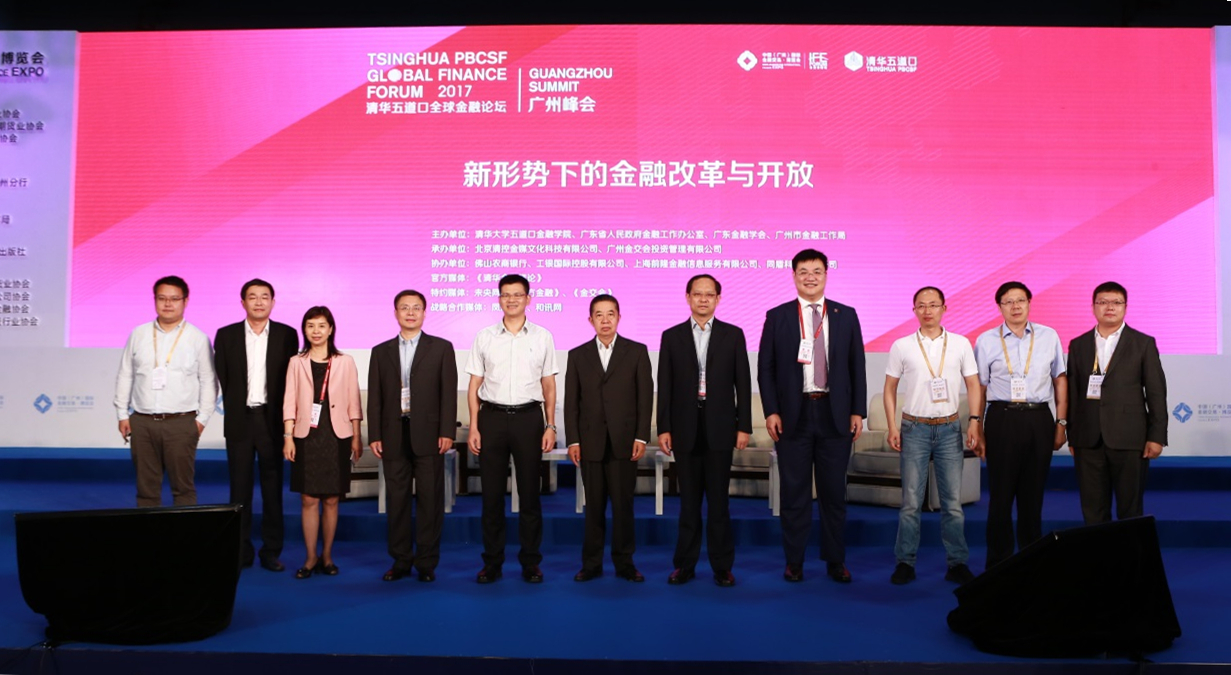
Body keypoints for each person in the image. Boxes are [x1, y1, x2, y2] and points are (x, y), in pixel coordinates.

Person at [758, 249, 866, 583]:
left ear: (826, 275)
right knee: (795, 494)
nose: (810, 277)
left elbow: (857, 366)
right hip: (794, 416)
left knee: (834, 494)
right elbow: (766, 369)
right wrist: (771, 410)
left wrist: (857, 411)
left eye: (816, 271)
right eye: (803, 271)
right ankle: (795, 561)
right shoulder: (778, 316)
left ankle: (835, 560)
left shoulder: (846, 315)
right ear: (793, 276)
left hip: (835, 414)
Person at [883, 287, 982, 586]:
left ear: (944, 308)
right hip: (914, 428)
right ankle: (905, 562)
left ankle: (957, 563)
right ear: (914, 310)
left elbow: (973, 385)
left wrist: (974, 421)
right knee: (910, 502)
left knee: (952, 503)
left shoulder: (961, 343)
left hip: (950, 428)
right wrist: (892, 426)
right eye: (921, 306)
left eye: (933, 305)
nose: (927, 311)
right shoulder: (902, 345)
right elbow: (889, 389)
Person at [657, 274, 751, 587]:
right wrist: (664, 427)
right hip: (684, 428)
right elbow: (665, 386)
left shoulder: (733, 335)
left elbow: (743, 383)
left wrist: (743, 426)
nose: (703, 299)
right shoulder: (672, 336)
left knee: (719, 503)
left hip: (721, 428)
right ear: (688, 297)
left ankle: (722, 566)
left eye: (709, 294)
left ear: (718, 299)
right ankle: (684, 565)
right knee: (688, 504)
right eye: (697, 294)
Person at [465, 274, 559, 584]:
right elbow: (474, 385)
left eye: (518, 294)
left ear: (528, 299)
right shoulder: (485, 337)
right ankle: (492, 562)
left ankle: (531, 562)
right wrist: (474, 426)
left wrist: (550, 425)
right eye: (506, 295)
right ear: (499, 299)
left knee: (530, 494)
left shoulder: (542, 337)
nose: (512, 300)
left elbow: (549, 385)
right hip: (491, 418)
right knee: (491, 496)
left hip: (529, 419)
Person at [974, 281, 1067, 570]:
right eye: (1008, 301)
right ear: (999, 307)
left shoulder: (1049, 336)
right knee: (1000, 497)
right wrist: (976, 424)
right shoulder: (986, 340)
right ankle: (998, 564)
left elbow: (1059, 380)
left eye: (1020, 300)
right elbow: (979, 387)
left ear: (1029, 303)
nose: (1015, 306)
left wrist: (1061, 422)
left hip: (1039, 419)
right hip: (1001, 418)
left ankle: (1031, 563)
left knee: (1033, 496)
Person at [368, 290, 458, 583]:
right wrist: (375, 434)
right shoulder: (380, 351)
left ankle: (426, 562)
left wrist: (447, 431)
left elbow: (448, 394)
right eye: (404, 308)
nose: (410, 312)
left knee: (431, 501)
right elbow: (375, 398)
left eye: (416, 308)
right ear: (395, 313)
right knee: (397, 501)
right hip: (393, 434)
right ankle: (401, 560)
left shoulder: (441, 348)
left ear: (424, 312)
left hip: (430, 435)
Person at [564, 294, 653, 583]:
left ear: (619, 317)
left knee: (623, 506)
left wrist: (641, 436)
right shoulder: (577, 355)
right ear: (590, 320)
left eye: (610, 314)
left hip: (624, 442)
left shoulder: (636, 352)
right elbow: (572, 402)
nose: (605, 320)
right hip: (590, 442)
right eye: (599, 315)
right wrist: (574, 440)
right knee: (594, 507)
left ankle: (625, 563)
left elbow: (644, 398)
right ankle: (591, 564)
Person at [214, 279, 298, 572]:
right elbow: (223, 377)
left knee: (273, 489)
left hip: (271, 420)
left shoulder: (287, 335)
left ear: (273, 302)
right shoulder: (226, 335)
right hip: (240, 419)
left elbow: (290, 380)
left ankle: (271, 550)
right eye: (253, 297)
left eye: (265, 297)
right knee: (239, 490)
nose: (259, 302)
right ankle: (240, 550)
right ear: (243, 303)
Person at [1066, 281, 1167, 525]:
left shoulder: (1143, 343)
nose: (1109, 307)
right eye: (1103, 302)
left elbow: (1156, 392)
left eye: (1116, 302)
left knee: (1130, 510)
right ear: (1093, 307)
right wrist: (1073, 436)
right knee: (1093, 511)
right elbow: (1073, 393)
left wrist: (1156, 436)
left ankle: (1129, 552)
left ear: (1125, 307)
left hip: (1130, 438)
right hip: (1088, 440)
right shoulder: (1078, 344)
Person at [114, 275, 216, 507]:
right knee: (146, 490)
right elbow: (125, 374)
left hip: (181, 423)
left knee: (183, 489)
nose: (168, 304)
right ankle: (151, 531)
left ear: (185, 301)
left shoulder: (198, 338)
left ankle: (183, 532)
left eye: (174, 299)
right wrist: (122, 414)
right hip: (142, 422)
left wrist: (201, 420)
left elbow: (209, 381)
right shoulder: (138, 334)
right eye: (162, 298)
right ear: (155, 300)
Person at [282, 306, 362, 579]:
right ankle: (310, 557)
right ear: (304, 330)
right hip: (307, 436)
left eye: (321, 326)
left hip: (336, 435)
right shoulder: (296, 362)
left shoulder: (345, 361)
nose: (316, 331)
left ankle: (327, 556)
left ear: (330, 329)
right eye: (310, 326)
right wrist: (288, 437)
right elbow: (289, 401)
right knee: (308, 499)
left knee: (331, 499)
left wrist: (356, 436)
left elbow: (353, 401)